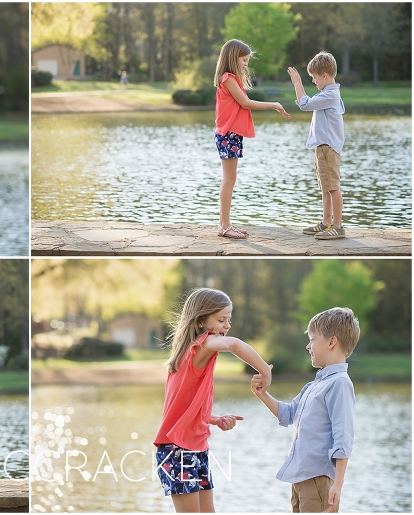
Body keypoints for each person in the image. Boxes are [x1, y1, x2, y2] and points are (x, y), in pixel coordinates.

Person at [154, 288, 272, 513]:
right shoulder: (201, 346)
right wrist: (265, 370)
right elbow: (234, 345)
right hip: (178, 451)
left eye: (229, 319)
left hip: (195, 447)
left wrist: (214, 419)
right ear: (200, 321)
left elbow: (182, 411)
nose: (227, 326)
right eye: (221, 319)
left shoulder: (190, 354)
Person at [250, 307, 357, 513]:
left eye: (312, 339)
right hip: (301, 479)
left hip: (319, 480)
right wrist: (262, 393)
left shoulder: (339, 383)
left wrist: (338, 484)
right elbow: (288, 414)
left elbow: (343, 437)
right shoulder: (313, 386)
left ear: (331, 342)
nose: (308, 346)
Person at [214, 39, 291, 239]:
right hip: (228, 134)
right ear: (233, 58)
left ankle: (225, 224)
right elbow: (246, 103)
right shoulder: (228, 78)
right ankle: (225, 226)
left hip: (232, 134)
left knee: (230, 179)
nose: (246, 64)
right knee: (229, 180)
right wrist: (274, 104)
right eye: (244, 60)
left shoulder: (232, 79)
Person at [287, 52, 346, 240]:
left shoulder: (330, 94)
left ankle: (338, 226)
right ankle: (326, 222)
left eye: (313, 78)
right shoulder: (327, 94)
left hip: (328, 146)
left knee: (333, 186)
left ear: (324, 75)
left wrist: (297, 83)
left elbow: (305, 104)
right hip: (322, 146)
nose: (313, 81)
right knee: (325, 186)